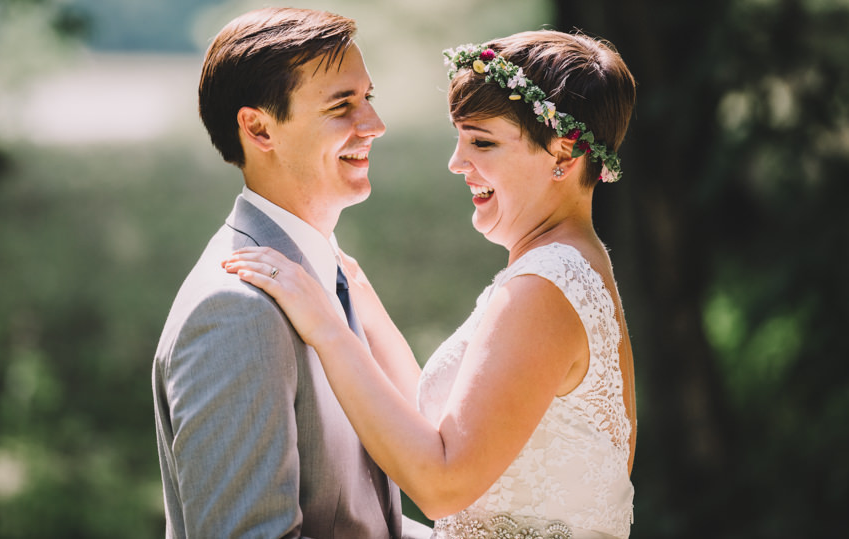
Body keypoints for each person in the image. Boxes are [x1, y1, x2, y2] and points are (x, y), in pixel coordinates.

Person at [224, 30, 638, 539]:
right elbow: (434, 425)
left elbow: (443, 486)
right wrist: (358, 297)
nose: (457, 162)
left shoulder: (546, 286)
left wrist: (328, 329)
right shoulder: (565, 267)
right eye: (460, 138)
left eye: (482, 142)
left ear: (564, 153)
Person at [152, 7, 433, 538]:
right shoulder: (235, 311)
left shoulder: (326, 272)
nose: (374, 124)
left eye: (367, 98)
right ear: (259, 128)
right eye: (341, 105)